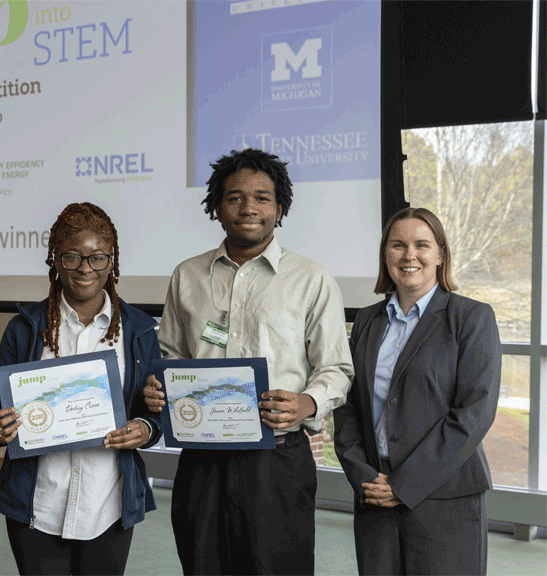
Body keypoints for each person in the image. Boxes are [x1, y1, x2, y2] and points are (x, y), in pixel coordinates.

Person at [143, 148, 354, 575]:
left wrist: (307, 403)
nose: (248, 208)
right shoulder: (187, 275)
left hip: (276, 462)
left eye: (262, 197)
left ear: (280, 207)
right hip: (202, 461)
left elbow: (336, 368)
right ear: (217, 208)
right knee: (202, 566)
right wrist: (158, 386)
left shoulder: (311, 279)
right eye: (235, 197)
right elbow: (169, 355)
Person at [0, 202, 162, 576]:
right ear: (54, 260)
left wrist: (144, 428)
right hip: (39, 504)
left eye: (97, 258)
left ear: (111, 262)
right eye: (72, 257)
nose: (85, 269)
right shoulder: (25, 328)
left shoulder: (140, 331)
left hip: (108, 504)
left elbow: (154, 411)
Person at [333, 207, 501, 576]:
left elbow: (474, 414)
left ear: (440, 254)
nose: (410, 255)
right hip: (375, 494)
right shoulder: (366, 320)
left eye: (421, 244)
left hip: (445, 498)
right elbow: (348, 406)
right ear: (385, 254)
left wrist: (404, 485)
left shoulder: (471, 318)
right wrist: (363, 476)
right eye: (398, 245)